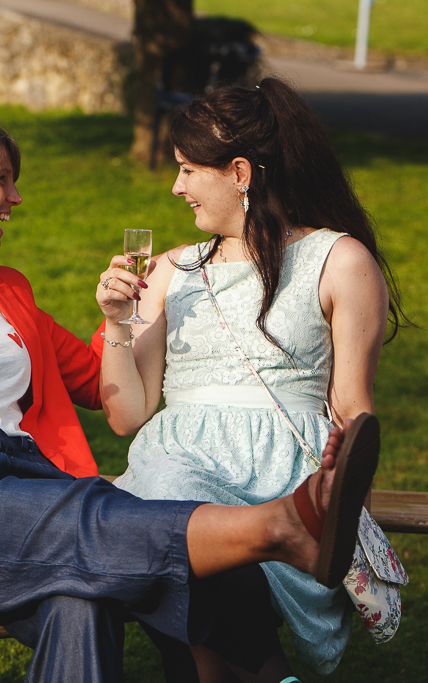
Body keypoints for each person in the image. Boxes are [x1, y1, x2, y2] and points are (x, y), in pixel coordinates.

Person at [0, 110, 380, 682]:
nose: (16, 197)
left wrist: (121, 317)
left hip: (23, 477)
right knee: (94, 515)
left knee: (84, 601)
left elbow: (97, 384)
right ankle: (277, 529)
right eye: (0, 180)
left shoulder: (8, 291)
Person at [97, 77, 404, 679]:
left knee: (165, 535)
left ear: (240, 172)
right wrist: (115, 325)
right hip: (175, 464)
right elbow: (128, 416)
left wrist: (348, 515)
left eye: (188, 169)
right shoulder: (172, 270)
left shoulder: (338, 261)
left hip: (277, 473)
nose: (176, 186)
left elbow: (352, 408)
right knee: (169, 508)